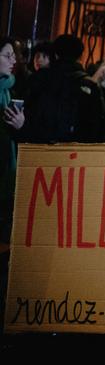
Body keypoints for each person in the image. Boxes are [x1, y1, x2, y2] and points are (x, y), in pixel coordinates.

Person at [22, 34, 104, 143]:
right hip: (75, 151)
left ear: (55, 54)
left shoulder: (38, 78)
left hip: (40, 147)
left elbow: (27, 113)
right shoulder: (90, 86)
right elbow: (96, 126)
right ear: (80, 56)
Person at [0, 37, 24, 243]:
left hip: (6, 171)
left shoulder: (10, 91)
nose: (13, 61)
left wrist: (20, 125)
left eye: (13, 56)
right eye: (7, 56)